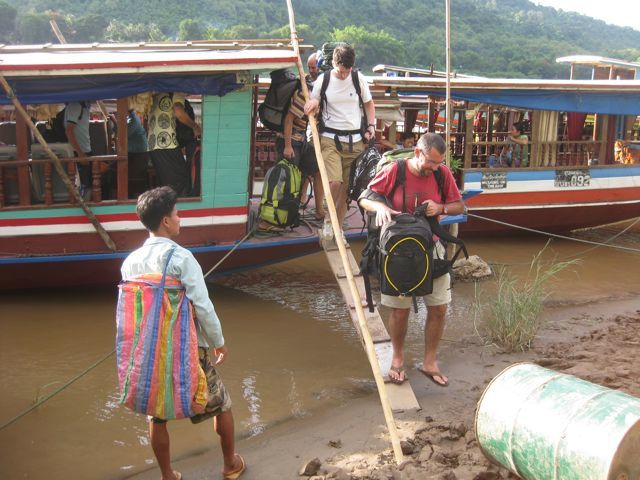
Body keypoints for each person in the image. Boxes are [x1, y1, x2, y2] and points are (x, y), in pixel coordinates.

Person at [120, 187, 246, 480]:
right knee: (221, 404)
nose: (180, 218)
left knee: (157, 415)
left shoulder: (130, 262)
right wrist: (219, 342)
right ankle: (230, 465)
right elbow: (202, 306)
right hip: (188, 349)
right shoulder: (181, 258)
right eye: (176, 213)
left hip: (151, 352)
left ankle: (168, 475)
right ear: (165, 220)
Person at [358, 133, 465, 386]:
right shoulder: (396, 170)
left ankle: (429, 362)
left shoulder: (442, 174)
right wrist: (381, 207)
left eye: (439, 163)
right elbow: (364, 198)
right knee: (399, 310)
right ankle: (397, 358)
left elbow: (459, 206)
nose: (435, 168)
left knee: (439, 307)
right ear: (418, 153)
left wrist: (441, 209)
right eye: (431, 162)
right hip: (398, 254)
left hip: (432, 248)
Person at [304, 44, 376, 234]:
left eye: (348, 71)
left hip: (355, 142)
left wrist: (371, 126)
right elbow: (315, 102)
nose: (344, 75)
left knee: (346, 191)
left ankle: (335, 227)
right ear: (334, 64)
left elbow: (369, 104)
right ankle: (329, 218)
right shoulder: (324, 79)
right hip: (330, 139)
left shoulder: (357, 78)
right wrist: (313, 103)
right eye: (341, 71)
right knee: (334, 182)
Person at [148, 93, 200, 196]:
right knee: (181, 185)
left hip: (153, 145)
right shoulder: (177, 91)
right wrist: (195, 126)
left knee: (168, 186)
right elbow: (179, 113)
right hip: (167, 144)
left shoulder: (157, 94)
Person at [64, 101, 92, 196]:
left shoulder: (84, 107)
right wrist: (80, 153)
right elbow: (69, 130)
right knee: (83, 186)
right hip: (79, 153)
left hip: (84, 151)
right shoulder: (75, 105)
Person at [126, 109, 151, 198]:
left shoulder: (134, 120)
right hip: (132, 153)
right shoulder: (128, 118)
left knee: (135, 180)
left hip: (139, 154)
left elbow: (124, 134)